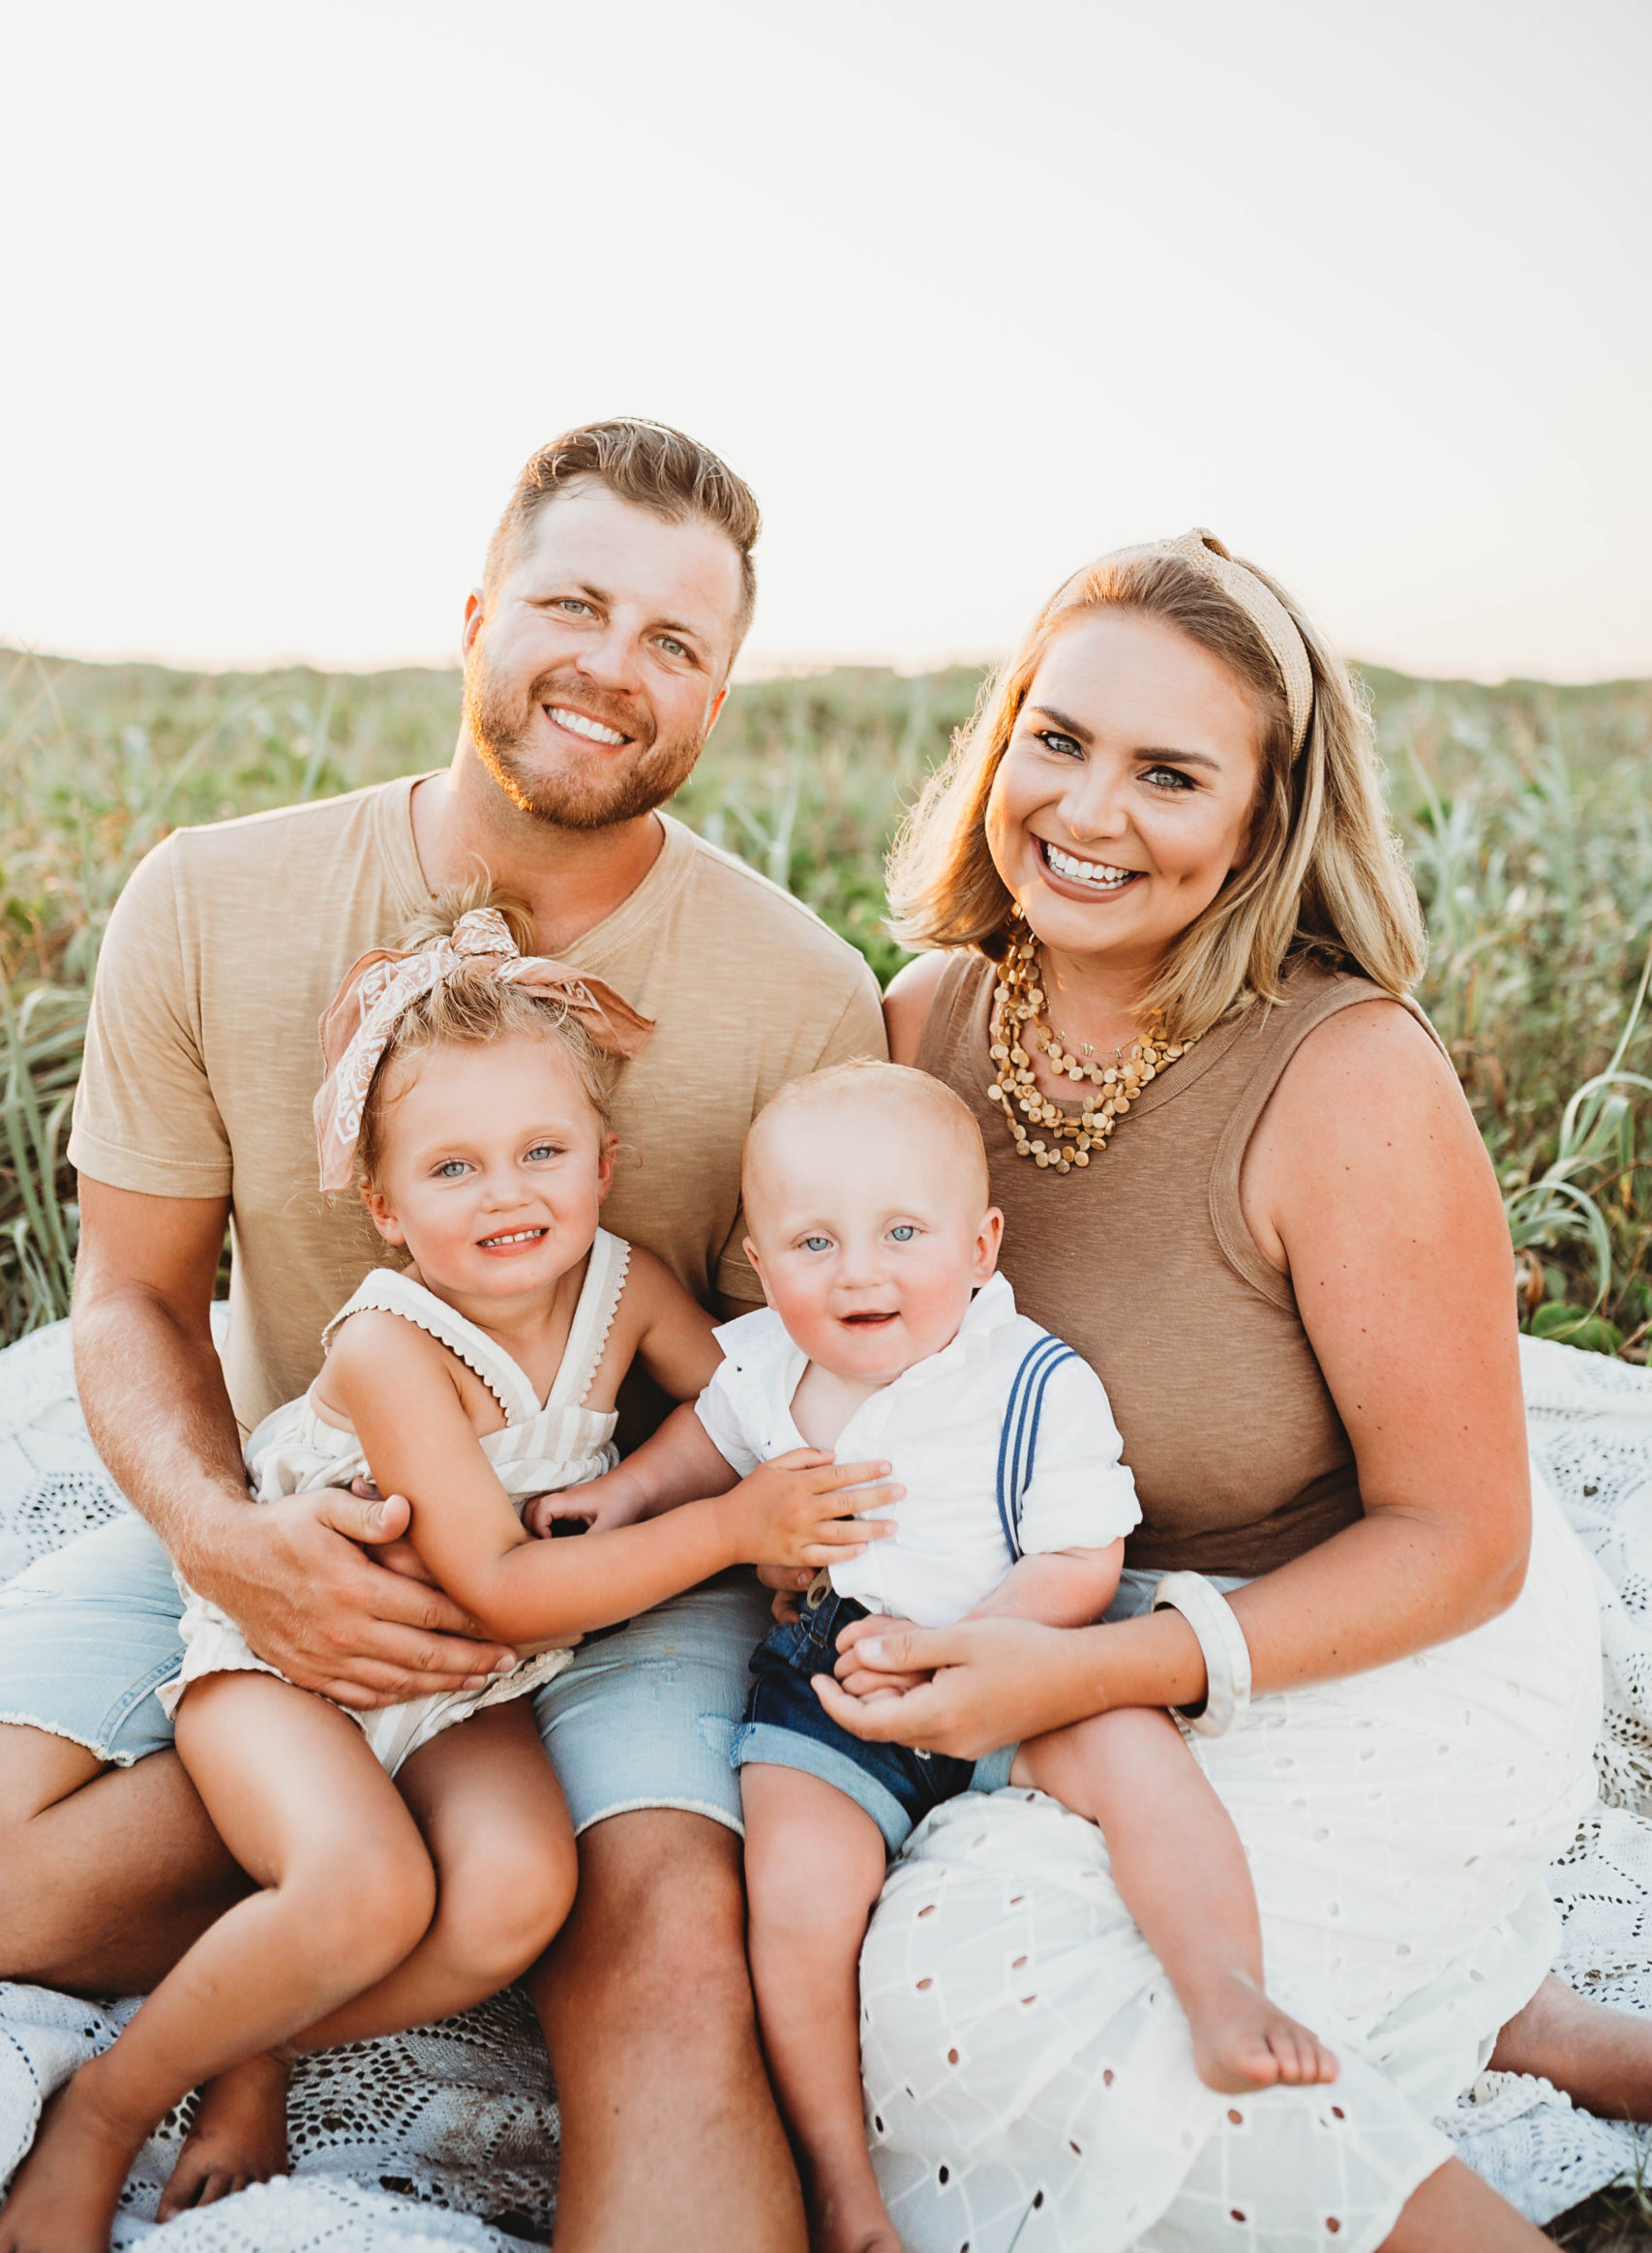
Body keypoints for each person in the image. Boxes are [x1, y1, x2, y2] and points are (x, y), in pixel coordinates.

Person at [0, 420, 886, 2253]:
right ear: (480, 611)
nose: (611, 669)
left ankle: (352, 1913)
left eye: (675, 643)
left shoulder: (806, 995)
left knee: (642, 1943)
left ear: (720, 689)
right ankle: (302, 1907)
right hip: (281, 1511)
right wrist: (227, 1535)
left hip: (616, 1566)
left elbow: (784, 1366)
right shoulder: (208, 896)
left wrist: (705, 1534)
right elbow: (135, 1298)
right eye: (572, 604)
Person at [796, 528, 1652, 2252]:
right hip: (1080, 1639)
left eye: (1169, 774)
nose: (1088, 812)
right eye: (1059, 739)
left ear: (1265, 823)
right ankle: (1471, 2021)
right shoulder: (919, 1023)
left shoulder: (1343, 1075)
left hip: (1374, 1641)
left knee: (982, 1992)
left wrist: (1091, 1667)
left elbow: (1463, 1537)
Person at [541, 1058, 1337, 2253]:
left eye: (902, 1232)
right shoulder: (765, 1360)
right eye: (813, 1242)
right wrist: (624, 1496)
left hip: (1017, 1657)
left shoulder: (1029, 1382)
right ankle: (843, 2179)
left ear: (980, 1244)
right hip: (831, 1683)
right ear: (760, 1260)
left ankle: (1223, 1983)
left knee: (1138, 1759)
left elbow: (1081, 1554)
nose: (858, 1270)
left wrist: (973, 1652)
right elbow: (704, 1447)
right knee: (793, 1892)